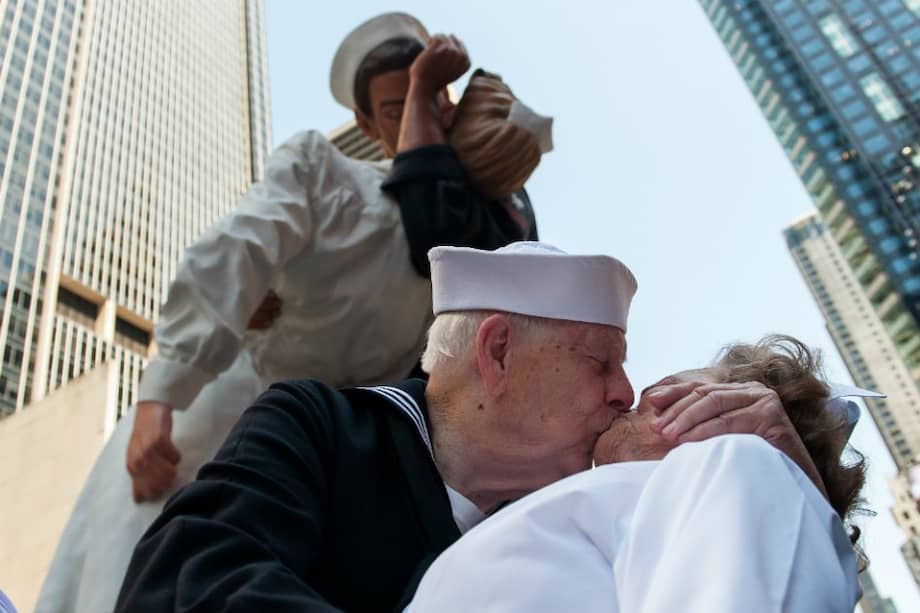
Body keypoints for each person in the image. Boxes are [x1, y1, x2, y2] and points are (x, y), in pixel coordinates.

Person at [36, 13, 548, 613]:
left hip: (324, 456)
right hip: (220, 413)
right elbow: (234, 253)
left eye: (435, 97)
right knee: (138, 561)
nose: (423, 112)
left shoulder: (465, 240)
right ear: (365, 122)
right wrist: (161, 397)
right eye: (397, 105)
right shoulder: (322, 168)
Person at [114, 243, 829, 612]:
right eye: (601, 362)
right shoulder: (324, 427)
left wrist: (804, 491)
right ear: (497, 350)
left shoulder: (604, 507)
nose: (627, 391)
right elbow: (187, 576)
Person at [407, 336, 869, 613]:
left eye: (666, 389)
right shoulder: (632, 517)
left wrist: (786, 485)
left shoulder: (745, 463)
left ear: (738, 416)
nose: (634, 396)